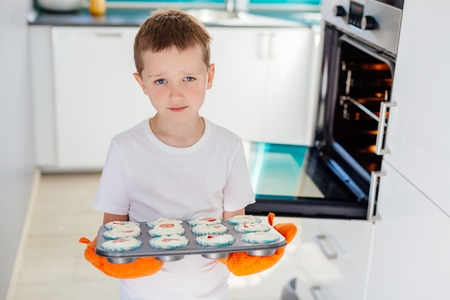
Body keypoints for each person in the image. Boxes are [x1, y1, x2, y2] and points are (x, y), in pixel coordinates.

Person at [80, 8, 296, 300]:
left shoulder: (228, 147)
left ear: (210, 76)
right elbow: (114, 228)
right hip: (142, 293)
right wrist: (121, 262)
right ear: (141, 83)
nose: (176, 94)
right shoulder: (125, 148)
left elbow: (235, 227)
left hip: (209, 293)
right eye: (160, 81)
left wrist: (248, 252)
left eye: (189, 78)